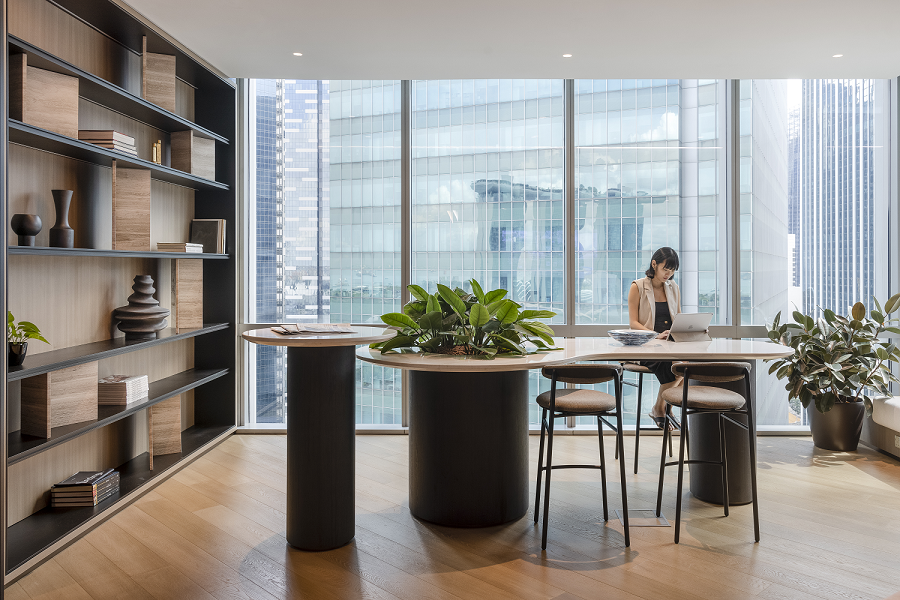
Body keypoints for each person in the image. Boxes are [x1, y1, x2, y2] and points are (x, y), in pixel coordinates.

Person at [627, 247, 682, 429]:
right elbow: (633, 323)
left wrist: (687, 331)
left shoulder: (673, 287)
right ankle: (661, 409)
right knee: (671, 365)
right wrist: (656, 336)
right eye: (666, 269)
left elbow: (679, 317)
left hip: (670, 344)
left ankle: (662, 406)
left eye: (672, 270)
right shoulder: (638, 286)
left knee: (689, 363)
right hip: (646, 345)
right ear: (654, 264)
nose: (669, 274)